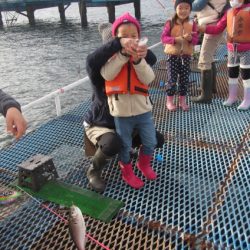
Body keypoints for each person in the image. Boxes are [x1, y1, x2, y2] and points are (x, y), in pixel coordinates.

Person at [84, 22, 164, 192]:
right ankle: (93, 171)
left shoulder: (133, 63)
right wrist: (118, 45)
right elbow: (91, 60)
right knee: (113, 143)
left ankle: (133, 159)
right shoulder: (99, 69)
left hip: (128, 120)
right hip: (102, 123)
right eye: (120, 42)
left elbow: (152, 59)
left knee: (157, 138)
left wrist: (138, 49)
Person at [198, 0, 250, 110]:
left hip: (247, 49)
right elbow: (218, 28)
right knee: (232, 73)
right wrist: (204, 28)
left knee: (246, 75)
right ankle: (232, 97)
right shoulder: (229, 11)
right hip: (231, 49)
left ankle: (247, 100)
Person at [161, 0, 199, 111]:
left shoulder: (193, 24)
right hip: (172, 56)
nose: (183, 10)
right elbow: (163, 38)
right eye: (180, 8)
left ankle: (182, 101)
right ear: (176, 9)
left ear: (190, 10)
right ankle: (169, 101)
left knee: (184, 79)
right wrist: (175, 40)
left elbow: (196, 40)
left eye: (186, 8)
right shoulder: (170, 22)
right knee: (172, 79)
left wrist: (191, 38)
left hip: (186, 57)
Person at [191, 0, 229, 103]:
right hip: (215, 21)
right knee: (209, 55)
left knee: (204, 59)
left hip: (213, 23)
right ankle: (211, 88)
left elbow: (197, 6)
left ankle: (206, 96)